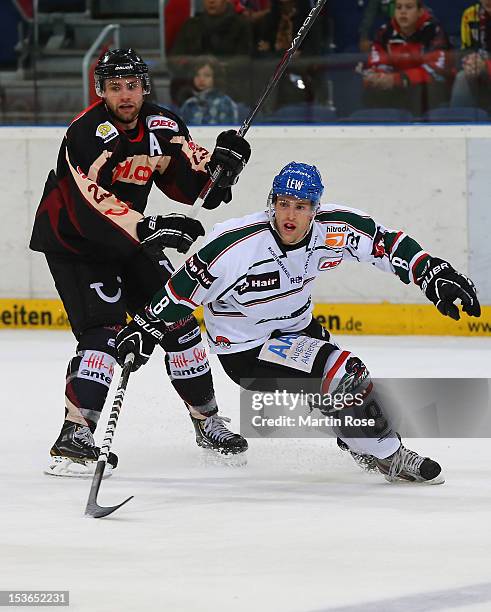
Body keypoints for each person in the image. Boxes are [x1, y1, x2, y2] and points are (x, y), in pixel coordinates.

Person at [114, 161, 481, 484]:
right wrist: (144, 329)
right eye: (282, 203)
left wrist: (431, 271)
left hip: (297, 329)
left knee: (345, 389)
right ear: (271, 204)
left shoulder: (335, 228)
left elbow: (385, 243)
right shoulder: (236, 246)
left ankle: (361, 442)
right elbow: (180, 292)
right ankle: (388, 456)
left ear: (315, 209)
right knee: (345, 375)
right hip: (247, 350)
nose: (289, 215)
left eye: (301, 206)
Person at [29, 48, 251, 477]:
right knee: (106, 331)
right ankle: (74, 435)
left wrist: (222, 168)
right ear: (101, 92)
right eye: (115, 88)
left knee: (179, 321)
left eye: (132, 86)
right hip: (76, 244)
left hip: (130, 241)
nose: (125, 96)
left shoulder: (163, 126)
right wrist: (148, 227)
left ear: (144, 88)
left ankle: (207, 422)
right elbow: (87, 204)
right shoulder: (86, 134)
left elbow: (192, 184)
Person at [362, 0, 454, 117]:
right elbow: (378, 62)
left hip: (428, 88)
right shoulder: (385, 32)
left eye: (409, 7)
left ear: (420, 11)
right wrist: (378, 76)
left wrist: (398, 79)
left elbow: (435, 72)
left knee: (419, 90)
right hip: (398, 86)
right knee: (373, 89)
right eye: (399, 7)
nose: (403, 12)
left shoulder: (434, 30)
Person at [170, 0, 253, 58]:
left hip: (229, 80)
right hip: (194, 79)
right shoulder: (190, 26)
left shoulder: (241, 26)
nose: (211, 1)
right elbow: (175, 59)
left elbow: (244, 61)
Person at [450, 0, 491, 113]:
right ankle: (458, 126)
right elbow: (466, 50)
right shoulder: (470, 15)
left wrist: (486, 66)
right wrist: (470, 62)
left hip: (486, 66)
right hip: (481, 66)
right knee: (462, 77)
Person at [180, 56, 239, 125]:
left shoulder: (225, 103)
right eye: (197, 75)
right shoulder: (189, 104)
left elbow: (229, 132)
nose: (201, 79)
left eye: (207, 75)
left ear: (216, 77)